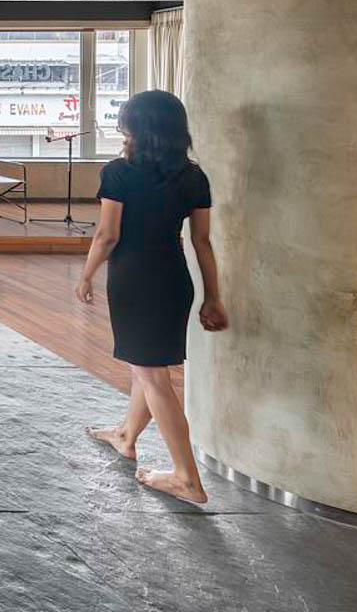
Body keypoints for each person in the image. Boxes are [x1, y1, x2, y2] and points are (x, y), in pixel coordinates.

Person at [75, 89, 228, 505]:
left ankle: (187, 479)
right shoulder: (194, 176)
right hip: (174, 279)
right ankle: (126, 436)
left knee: (152, 375)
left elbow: (108, 235)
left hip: (134, 280)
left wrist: (86, 274)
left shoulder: (119, 173)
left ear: (138, 128)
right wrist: (212, 297)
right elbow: (202, 242)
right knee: (148, 366)